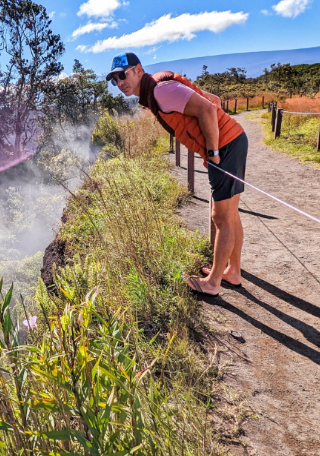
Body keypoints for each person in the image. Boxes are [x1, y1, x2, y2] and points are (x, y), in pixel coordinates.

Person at [106, 52, 248, 296]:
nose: (119, 83)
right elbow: (213, 99)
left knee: (221, 217)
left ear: (138, 70)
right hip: (232, 141)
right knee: (230, 212)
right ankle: (233, 271)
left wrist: (213, 152)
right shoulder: (156, 91)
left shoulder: (161, 91)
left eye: (123, 75)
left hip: (226, 147)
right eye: (114, 80)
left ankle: (213, 283)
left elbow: (207, 109)